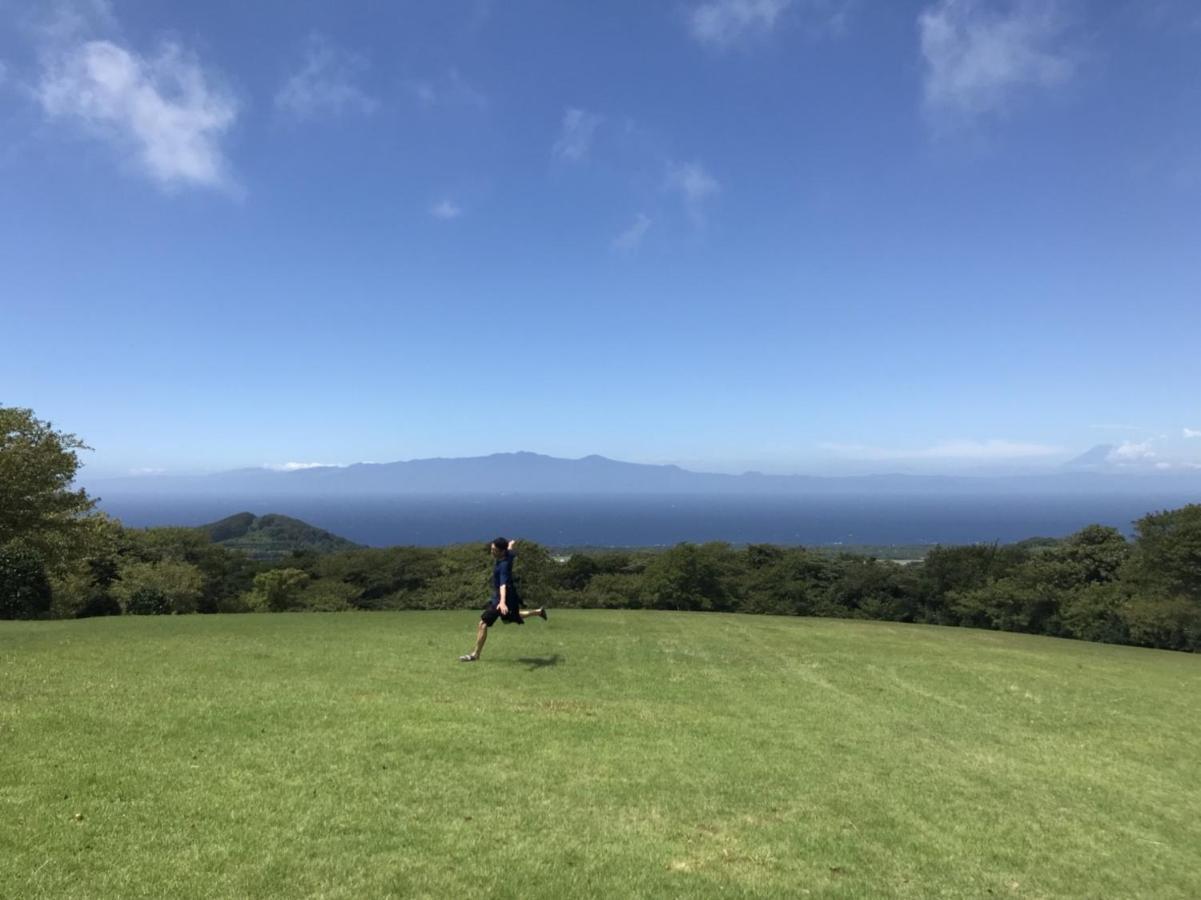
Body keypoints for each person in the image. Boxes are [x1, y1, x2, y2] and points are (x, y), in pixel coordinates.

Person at [459, 537, 547, 662]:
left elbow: (503, 585)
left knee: (483, 623)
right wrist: (511, 543)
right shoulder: (508, 554)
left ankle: (475, 655)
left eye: (494, 549)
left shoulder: (504, 565)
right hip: (507, 597)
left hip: (503, 597)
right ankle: (539, 612)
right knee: (512, 616)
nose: (491, 551)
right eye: (491, 548)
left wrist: (501, 602)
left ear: (501, 551)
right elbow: (510, 549)